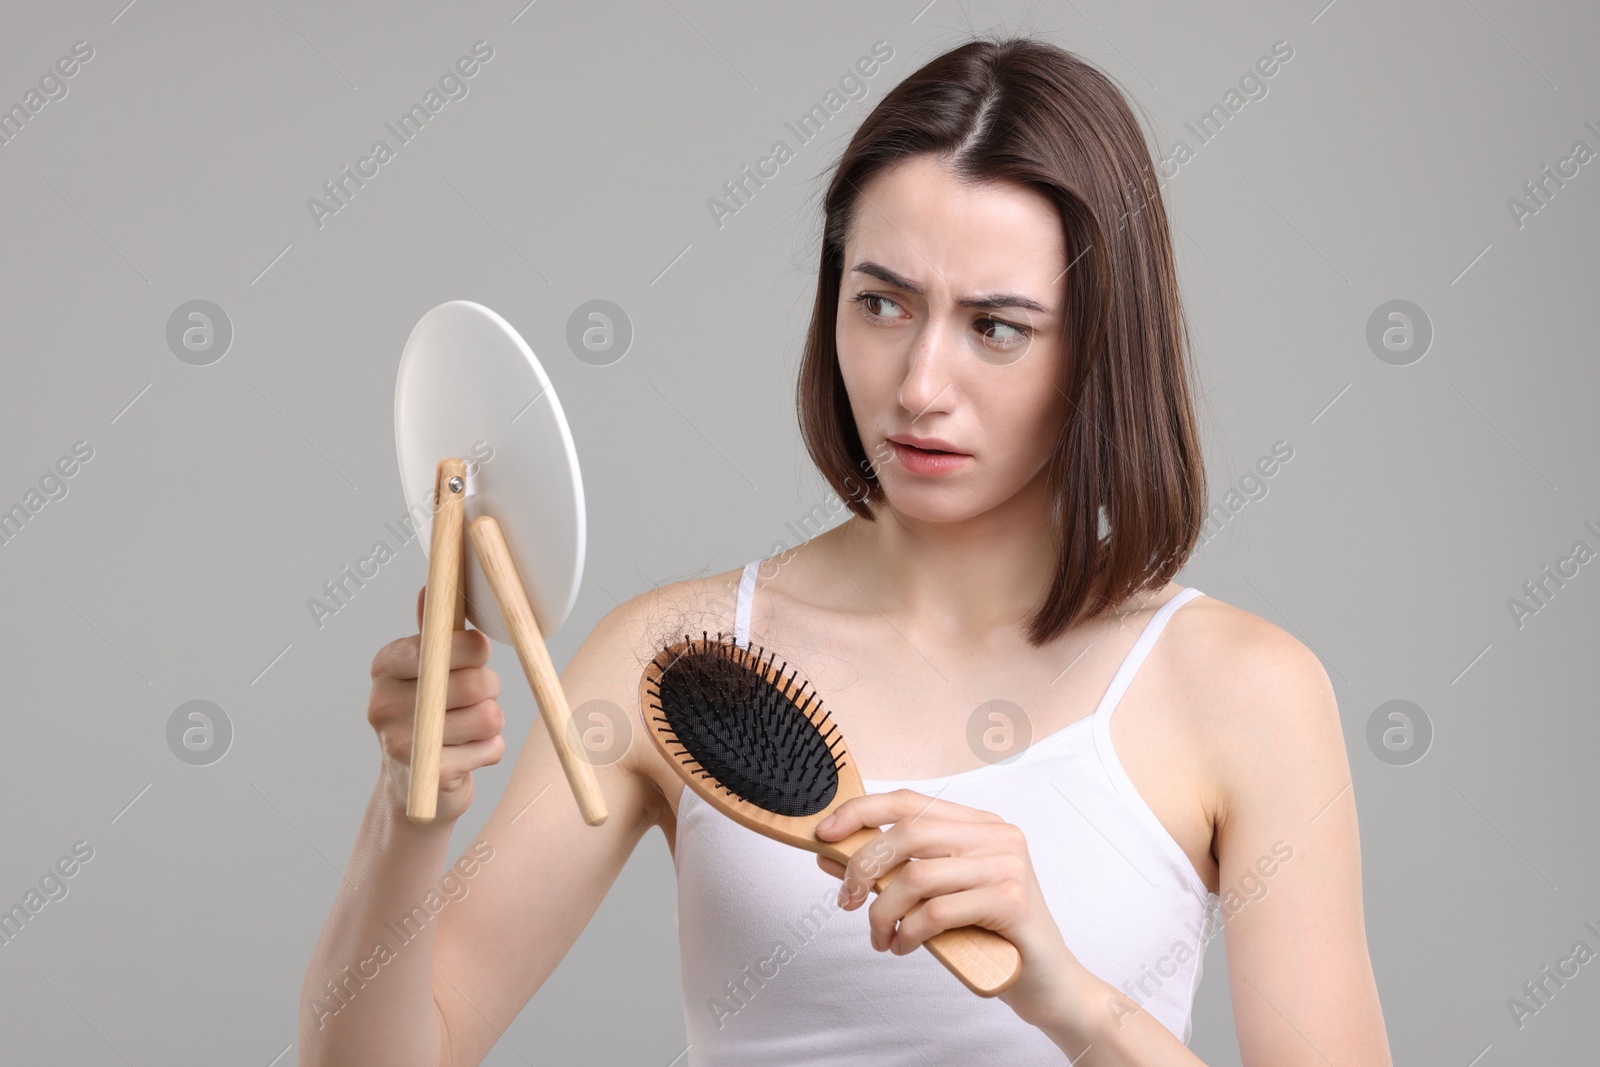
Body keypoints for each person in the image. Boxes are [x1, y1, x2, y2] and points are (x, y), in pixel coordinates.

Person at [300, 33, 1392, 1066]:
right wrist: (408, 815)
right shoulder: (675, 659)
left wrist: (1068, 993)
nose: (919, 384)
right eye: (882, 302)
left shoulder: (1246, 692)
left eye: (995, 326)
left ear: (1100, 344)